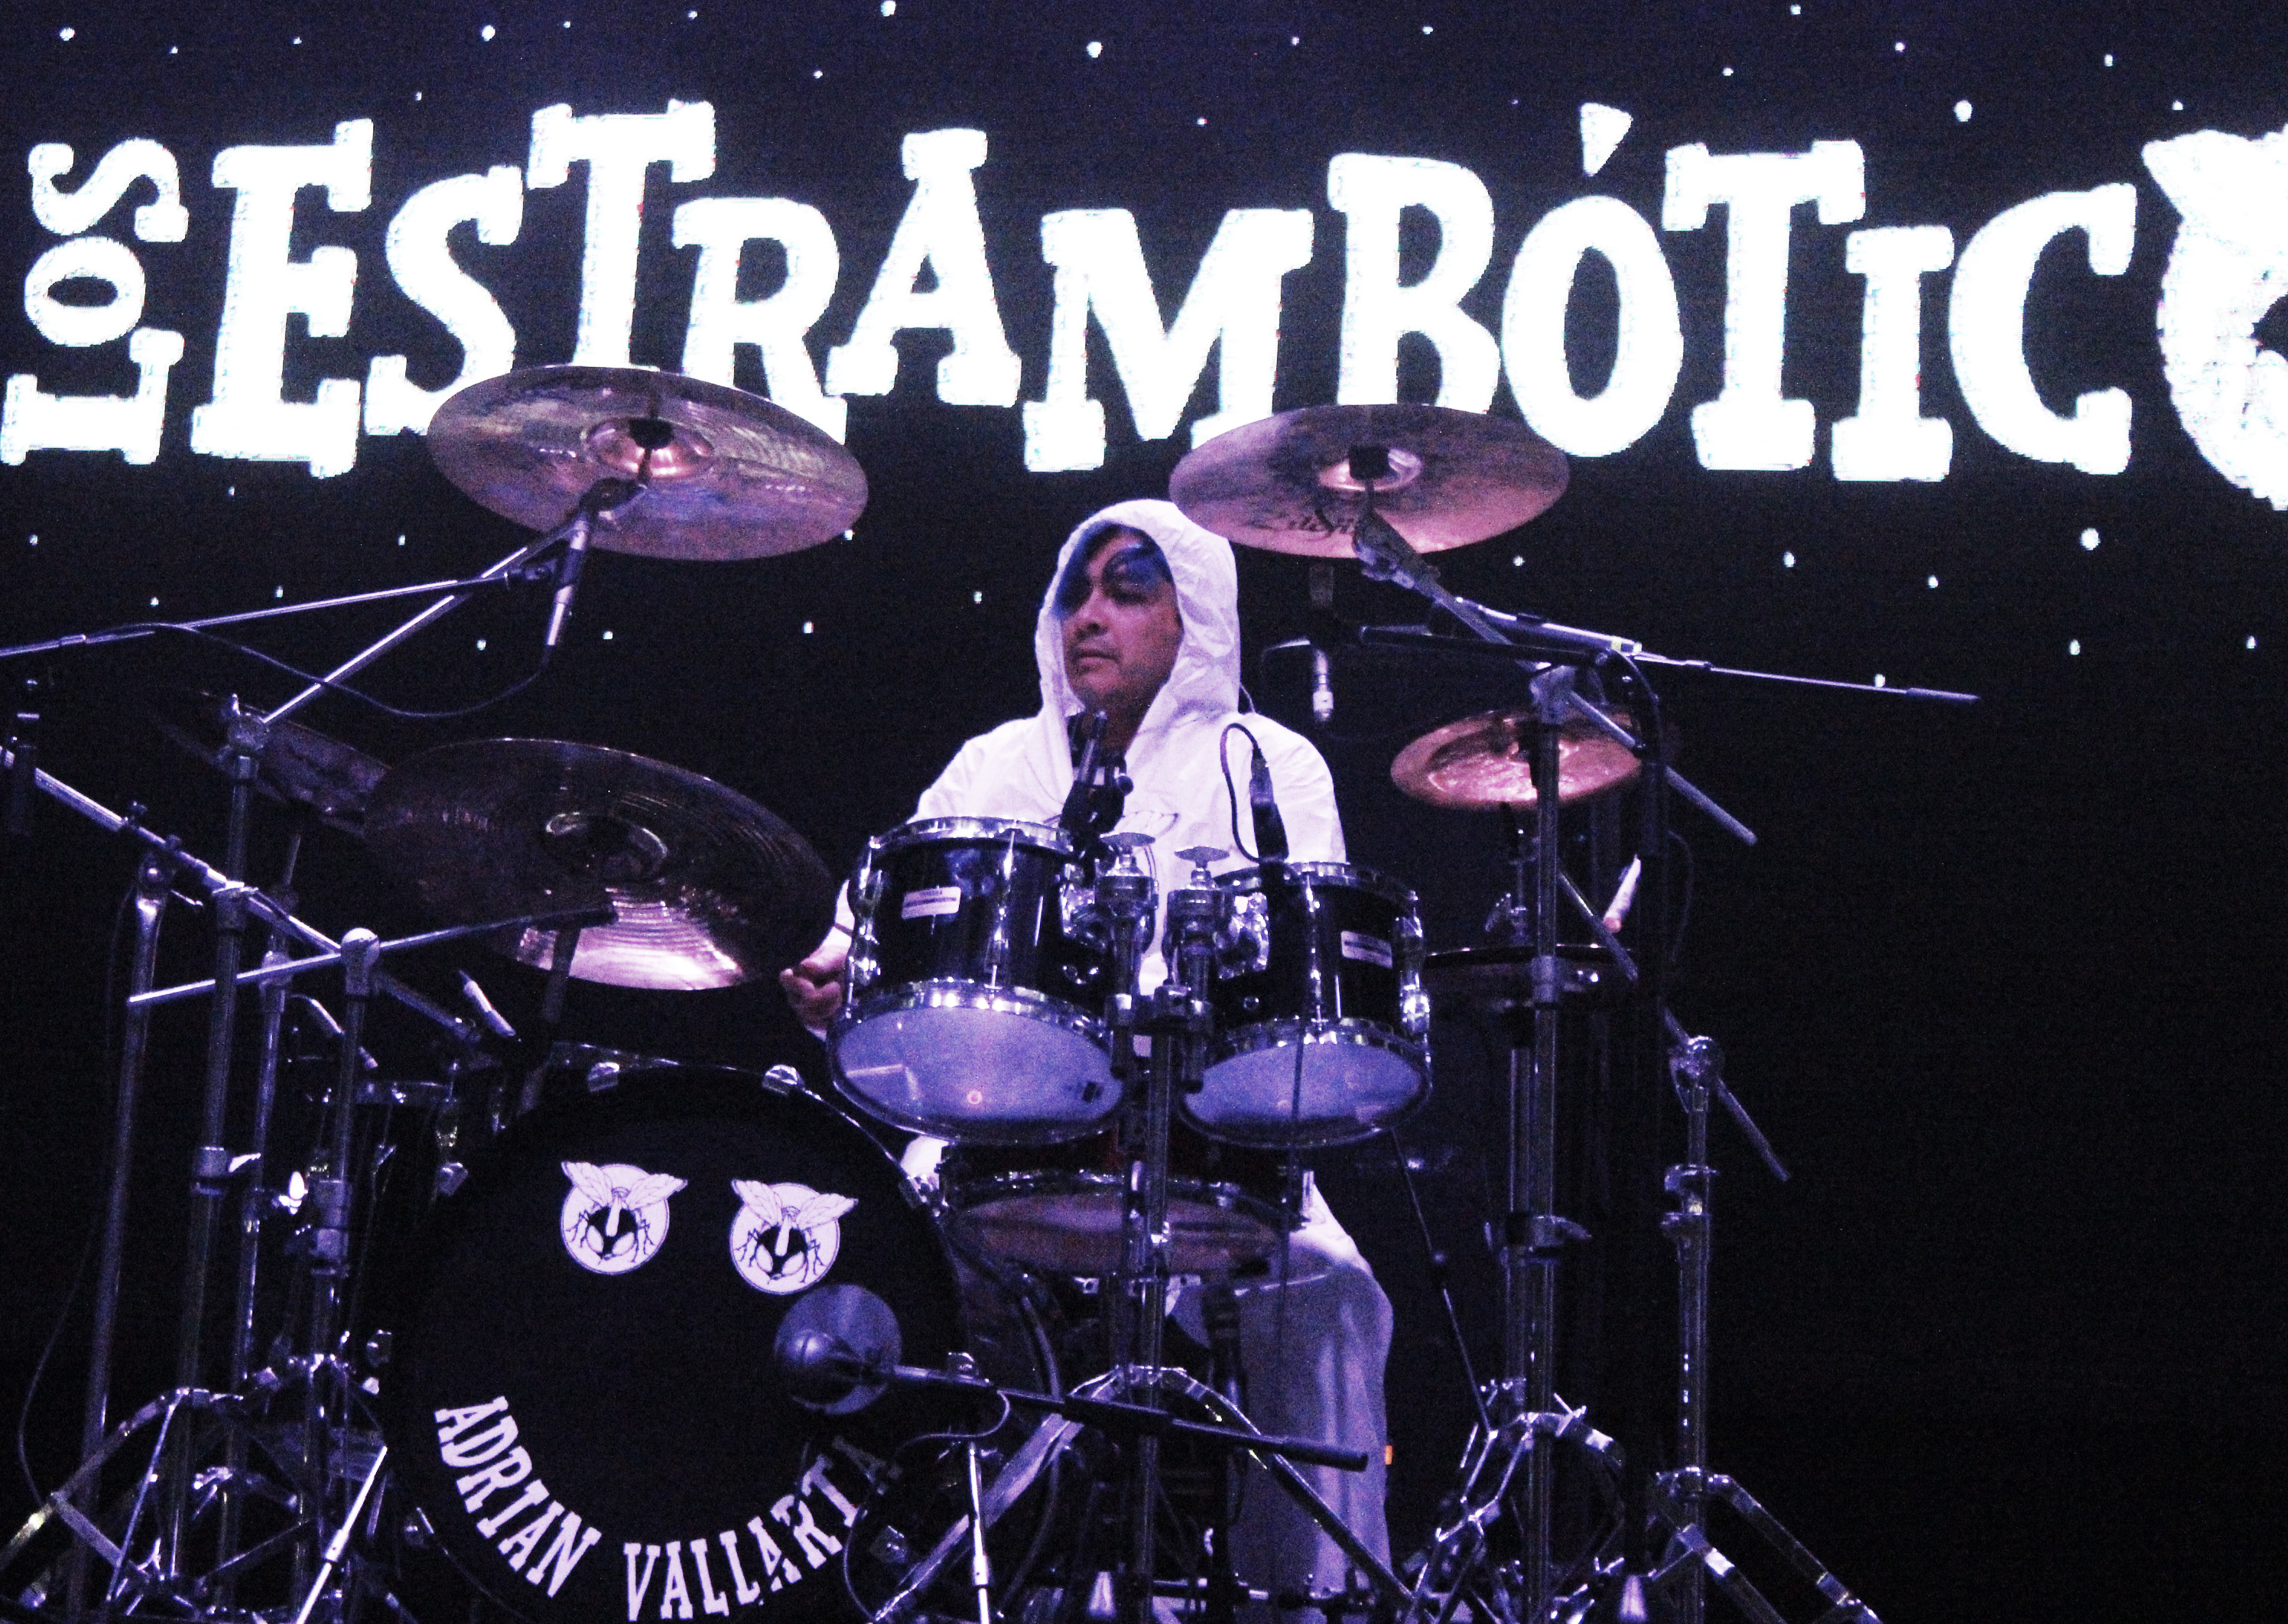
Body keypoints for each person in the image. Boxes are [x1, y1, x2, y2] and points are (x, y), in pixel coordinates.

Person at [782, 499, 1391, 1603]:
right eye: (1076, 594)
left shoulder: (1268, 764)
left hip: (1210, 1151)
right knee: (860, 1259)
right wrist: (836, 964)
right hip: (990, 1148)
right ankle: (903, 1581)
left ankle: (1313, 1603)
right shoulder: (995, 764)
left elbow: (1301, 971)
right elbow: (876, 920)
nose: (1089, 617)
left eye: (1129, 590)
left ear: (1196, 617)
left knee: (1333, 1293)